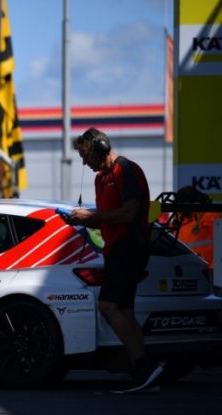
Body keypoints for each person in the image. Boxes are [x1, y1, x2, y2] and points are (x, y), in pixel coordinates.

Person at [67, 127, 164, 394]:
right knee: (125, 311)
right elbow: (108, 217)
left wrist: (91, 217)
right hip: (116, 250)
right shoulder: (101, 179)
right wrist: (83, 219)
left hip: (129, 247)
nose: (85, 163)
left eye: (86, 156)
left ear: (100, 148)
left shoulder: (125, 170)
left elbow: (129, 213)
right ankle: (144, 371)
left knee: (108, 306)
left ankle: (144, 367)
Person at [174, 186, 220, 270]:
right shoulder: (177, 221)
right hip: (184, 270)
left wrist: (215, 268)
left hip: (207, 271)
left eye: (181, 203)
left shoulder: (210, 216)